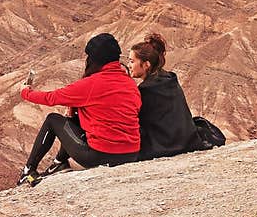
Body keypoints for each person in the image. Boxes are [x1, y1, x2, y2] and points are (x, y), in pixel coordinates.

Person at [17, 32, 141, 186]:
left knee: (53, 120)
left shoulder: (91, 84)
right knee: (75, 117)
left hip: (101, 155)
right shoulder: (130, 84)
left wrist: (25, 92)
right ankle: (58, 164)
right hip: (131, 154)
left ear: (94, 59)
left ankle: (28, 171)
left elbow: (51, 98)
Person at [128, 33, 203, 161]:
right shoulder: (169, 79)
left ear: (146, 64)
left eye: (132, 61)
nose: (129, 65)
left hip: (163, 146)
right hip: (186, 140)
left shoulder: (147, 90)